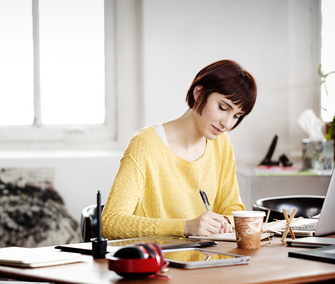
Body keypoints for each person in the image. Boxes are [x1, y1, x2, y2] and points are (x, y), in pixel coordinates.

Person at [102, 60, 257, 240]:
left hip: (212, 264)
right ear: (198, 93)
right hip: (160, 264)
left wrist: (224, 222)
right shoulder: (145, 144)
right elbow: (111, 222)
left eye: (237, 116)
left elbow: (233, 209)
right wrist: (184, 227)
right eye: (223, 108)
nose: (228, 124)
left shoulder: (221, 144)